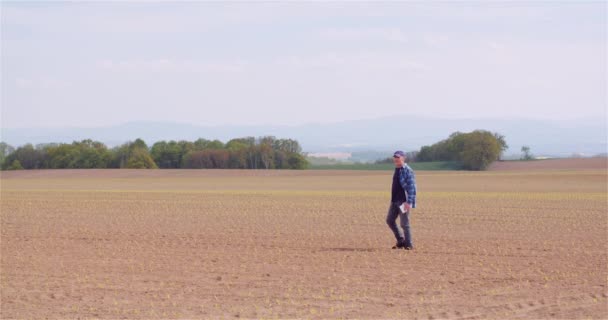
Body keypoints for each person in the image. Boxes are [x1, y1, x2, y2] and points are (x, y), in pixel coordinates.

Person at [386, 150, 417, 250]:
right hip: (394, 200)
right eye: (395, 157)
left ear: (403, 158)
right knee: (390, 220)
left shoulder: (407, 170)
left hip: (403, 201)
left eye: (398, 157)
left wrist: (409, 202)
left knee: (404, 224)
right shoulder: (397, 169)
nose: (396, 159)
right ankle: (400, 240)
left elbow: (412, 187)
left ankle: (409, 244)